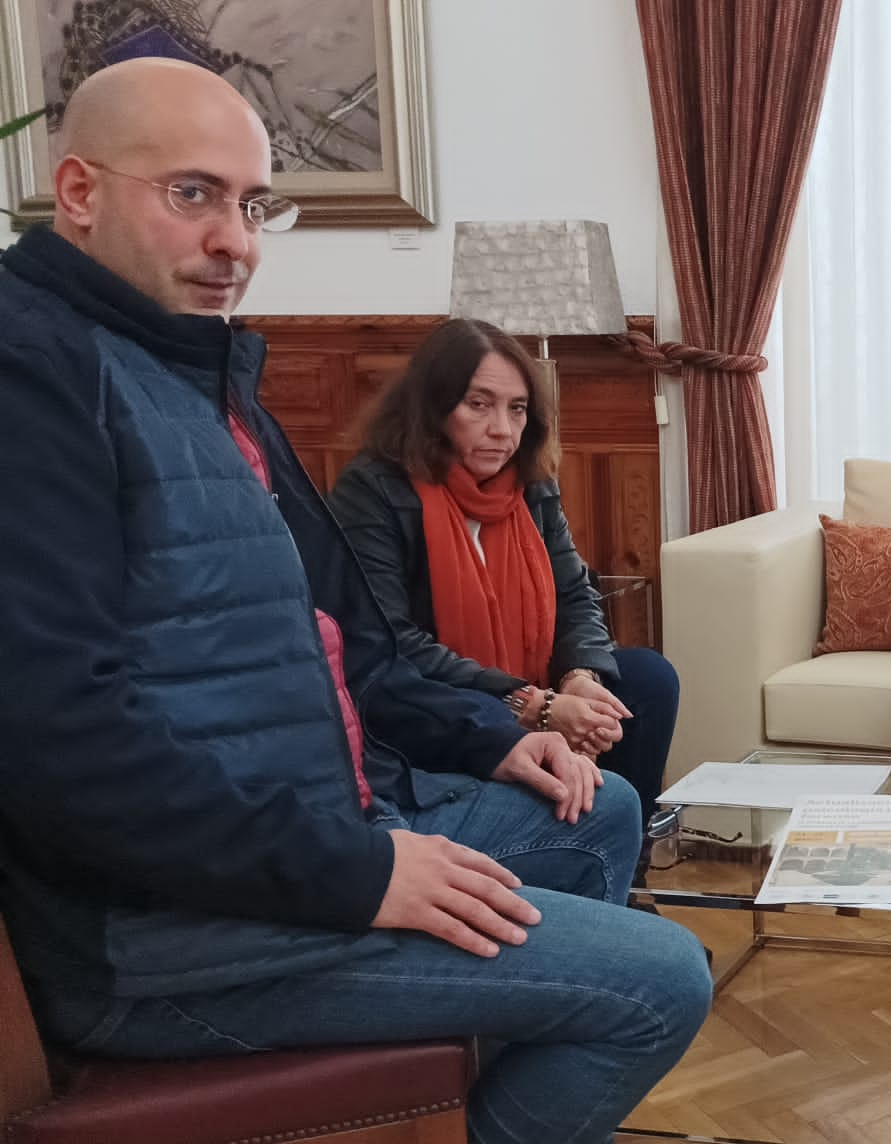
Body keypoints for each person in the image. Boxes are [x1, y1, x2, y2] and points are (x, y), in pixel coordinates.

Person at [0, 58, 708, 1144]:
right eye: (192, 193)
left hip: (314, 832)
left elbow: (352, 649)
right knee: (660, 979)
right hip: (165, 938)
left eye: (252, 203)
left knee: (596, 809)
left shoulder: (203, 379)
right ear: (81, 192)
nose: (236, 239)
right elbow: (59, 745)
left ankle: (472, 1092)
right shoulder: (36, 372)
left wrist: (494, 738)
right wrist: (365, 871)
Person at [327, 318, 679, 863]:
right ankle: (565, 839)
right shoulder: (373, 491)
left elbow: (575, 592)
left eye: (516, 409)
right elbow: (392, 643)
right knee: (533, 714)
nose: (502, 430)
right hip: (437, 697)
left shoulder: (530, 484)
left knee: (649, 681)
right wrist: (531, 704)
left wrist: (579, 677)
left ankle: (617, 865)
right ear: (433, 408)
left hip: (532, 679)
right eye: (479, 405)